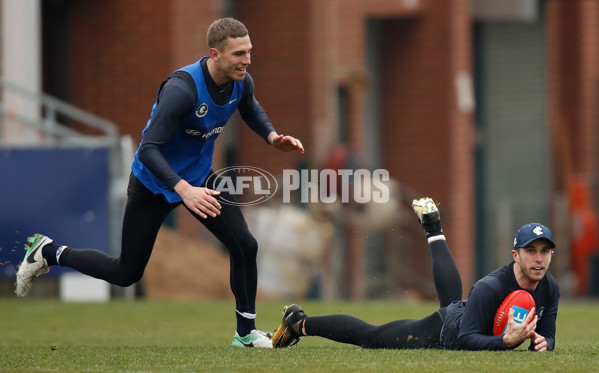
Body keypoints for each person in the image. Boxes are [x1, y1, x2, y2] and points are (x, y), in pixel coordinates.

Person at [15, 17, 304, 348]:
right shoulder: (182, 90)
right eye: (239, 54)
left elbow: (250, 107)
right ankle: (49, 251)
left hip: (199, 179)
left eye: (249, 51)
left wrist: (271, 136)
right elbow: (149, 149)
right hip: (154, 182)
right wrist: (183, 190)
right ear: (215, 54)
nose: (248, 60)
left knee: (245, 245)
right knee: (126, 273)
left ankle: (246, 335)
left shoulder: (241, 81)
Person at [272, 197, 560, 351]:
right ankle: (299, 323)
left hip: (462, 314)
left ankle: (434, 230)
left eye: (544, 251)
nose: (538, 258)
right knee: (373, 337)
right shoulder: (491, 287)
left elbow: (547, 335)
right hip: (447, 330)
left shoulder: (550, 288)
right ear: (515, 255)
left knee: (452, 303)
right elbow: (465, 340)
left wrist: (544, 343)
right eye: (530, 250)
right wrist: (505, 342)